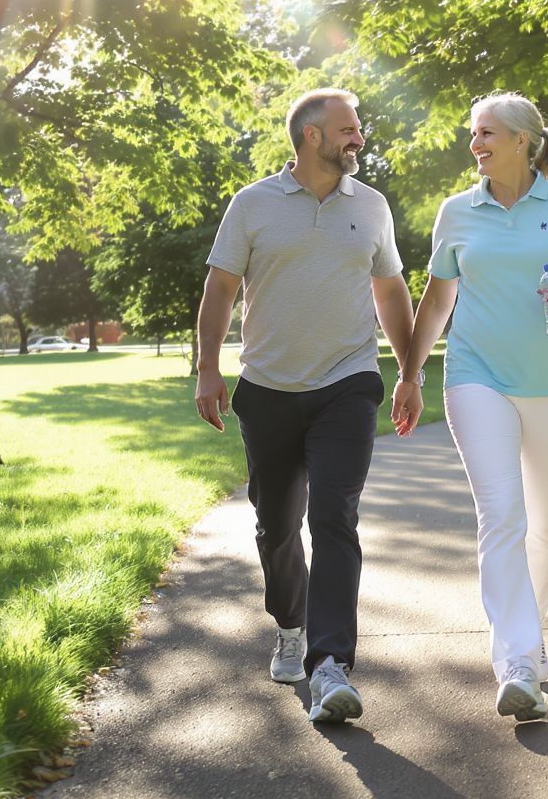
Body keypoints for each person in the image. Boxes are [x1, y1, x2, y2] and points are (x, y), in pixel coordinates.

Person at [391, 91, 548, 722]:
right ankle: (516, 661)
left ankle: (530, 637)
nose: (475, 144)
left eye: (486, 132)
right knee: (502, 515)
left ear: (523, 139)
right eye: (472, 134)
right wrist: (409, 371)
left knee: (543, 522)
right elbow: (436, 304)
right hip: (474, 374)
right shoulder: (457, 212)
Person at [195, 87, 416, 724]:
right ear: (311, 137)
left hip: (348, 382)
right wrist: (209, 368)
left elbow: (391, 290)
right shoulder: (253, 204)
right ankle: (290, 624)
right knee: (276, 527)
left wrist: (408, 370)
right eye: (348, 129)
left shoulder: (371, 206)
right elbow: (220, 287)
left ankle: (330, 665)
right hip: (266, 389)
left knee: (335, 516)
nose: (360, 139)